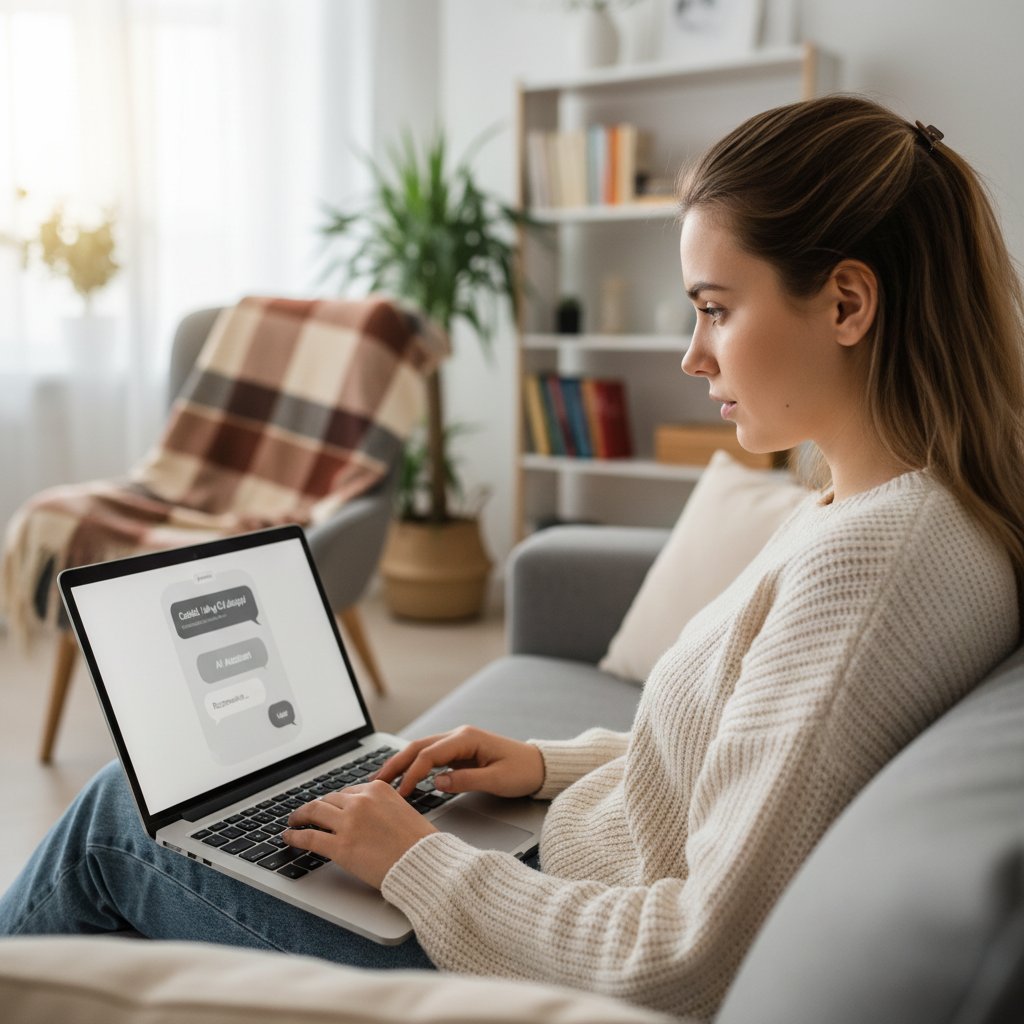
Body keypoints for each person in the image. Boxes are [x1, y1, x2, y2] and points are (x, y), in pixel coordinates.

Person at [3, 95, 1023, 1020]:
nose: (691, 352)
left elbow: (691, 962)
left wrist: (419, 864)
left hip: (518, 958)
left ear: (847, 304)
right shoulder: (897, 506)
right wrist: (545, 765)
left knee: (114, 819)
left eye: (714, 305)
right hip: (549, 882)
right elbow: (753, 772)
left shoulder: (871, 567)